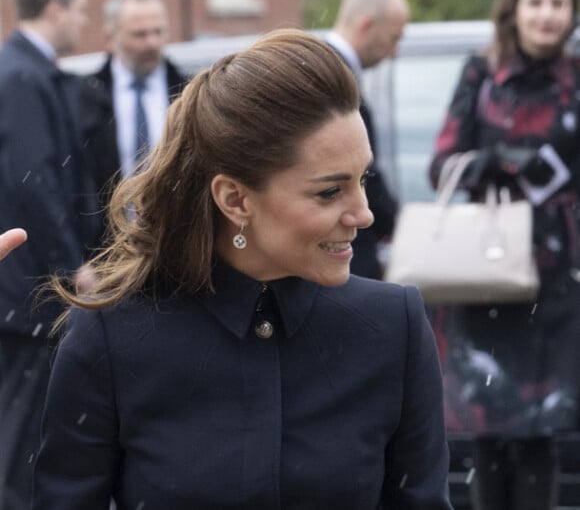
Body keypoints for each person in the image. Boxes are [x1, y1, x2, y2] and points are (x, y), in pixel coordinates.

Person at [33, 29, 452, 510]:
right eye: (329, 192)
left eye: (364, 179)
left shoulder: (392, 327)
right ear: (235, 199)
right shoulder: (111, 336)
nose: (364, 214)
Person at [428, 0, 580, 510]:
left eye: (558, 3)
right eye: (536, 2)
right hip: (486, 279)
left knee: (545, 436)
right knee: (488, 442)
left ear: (572, 13)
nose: (547, 14)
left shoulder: (577, 82)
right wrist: (500, 160)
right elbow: (441, 165)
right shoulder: (482, 74)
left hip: (558, 284)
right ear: (514, 10)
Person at [0, 0, 100, 509]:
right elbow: (35, 179)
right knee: (19, 437)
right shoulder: (22, 75)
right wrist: (71, 265)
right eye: (82, 9)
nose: (85, 21)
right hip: (27, 289)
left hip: (23, 285)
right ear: (56, 8)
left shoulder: (26, 69)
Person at [79, 0, 188, 234]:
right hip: (108, 246)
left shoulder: (188, 92)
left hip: (177, 239)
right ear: (110, 38)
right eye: (140, 34)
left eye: (159, 32)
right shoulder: (85, 98)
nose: (152, 43)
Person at [326, 0, 408, 279]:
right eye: (393, 38)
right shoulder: (332, 77)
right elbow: (360, 171)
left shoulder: (326, 68)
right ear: (366, 24)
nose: (394, 52)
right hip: (343, 254)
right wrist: (397, 222)